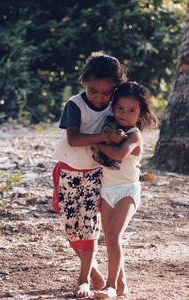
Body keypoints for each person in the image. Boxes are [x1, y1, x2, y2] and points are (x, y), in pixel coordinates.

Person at [52, 51, 127, 298]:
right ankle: (94, 271)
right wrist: (106, 137)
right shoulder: (75, 104)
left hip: (95, 174)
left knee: (89, 226)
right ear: (84, 82)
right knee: (71, 227)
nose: (99, 97)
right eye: (94, 91)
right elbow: (73, 139)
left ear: (116, 89)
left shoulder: (115, 108)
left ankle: (84, 278)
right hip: (67, 172)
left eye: (107, 93)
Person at [94, 81, 159, 298]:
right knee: (110, 239)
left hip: (127, 191)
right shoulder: (108, 129)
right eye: (120, 108)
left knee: (113, 236)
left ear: (140, 114)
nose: (124, 113)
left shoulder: (134, 135)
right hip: (106, 191)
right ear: (113, 108)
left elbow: (119, 154)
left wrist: (97, 144)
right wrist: (102, 139)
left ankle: (110, 285)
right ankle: (121, 284)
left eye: (132, 110)